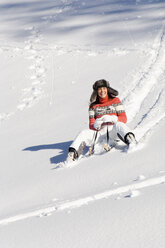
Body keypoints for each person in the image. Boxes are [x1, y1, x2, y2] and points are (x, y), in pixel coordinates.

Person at [67, 79, 136, 162]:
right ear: (96, 91)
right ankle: (72, 154)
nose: (102, 91)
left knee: (119, 125)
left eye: (104, 88)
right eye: (99, 89)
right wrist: (95, 124)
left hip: (114, 131)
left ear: (107, 89)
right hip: (100, 134)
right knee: (83, 133)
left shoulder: (115, 101)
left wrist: (113, 118)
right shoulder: (93, 106)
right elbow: (91, 124)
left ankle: (131, 140)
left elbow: (124, 118)